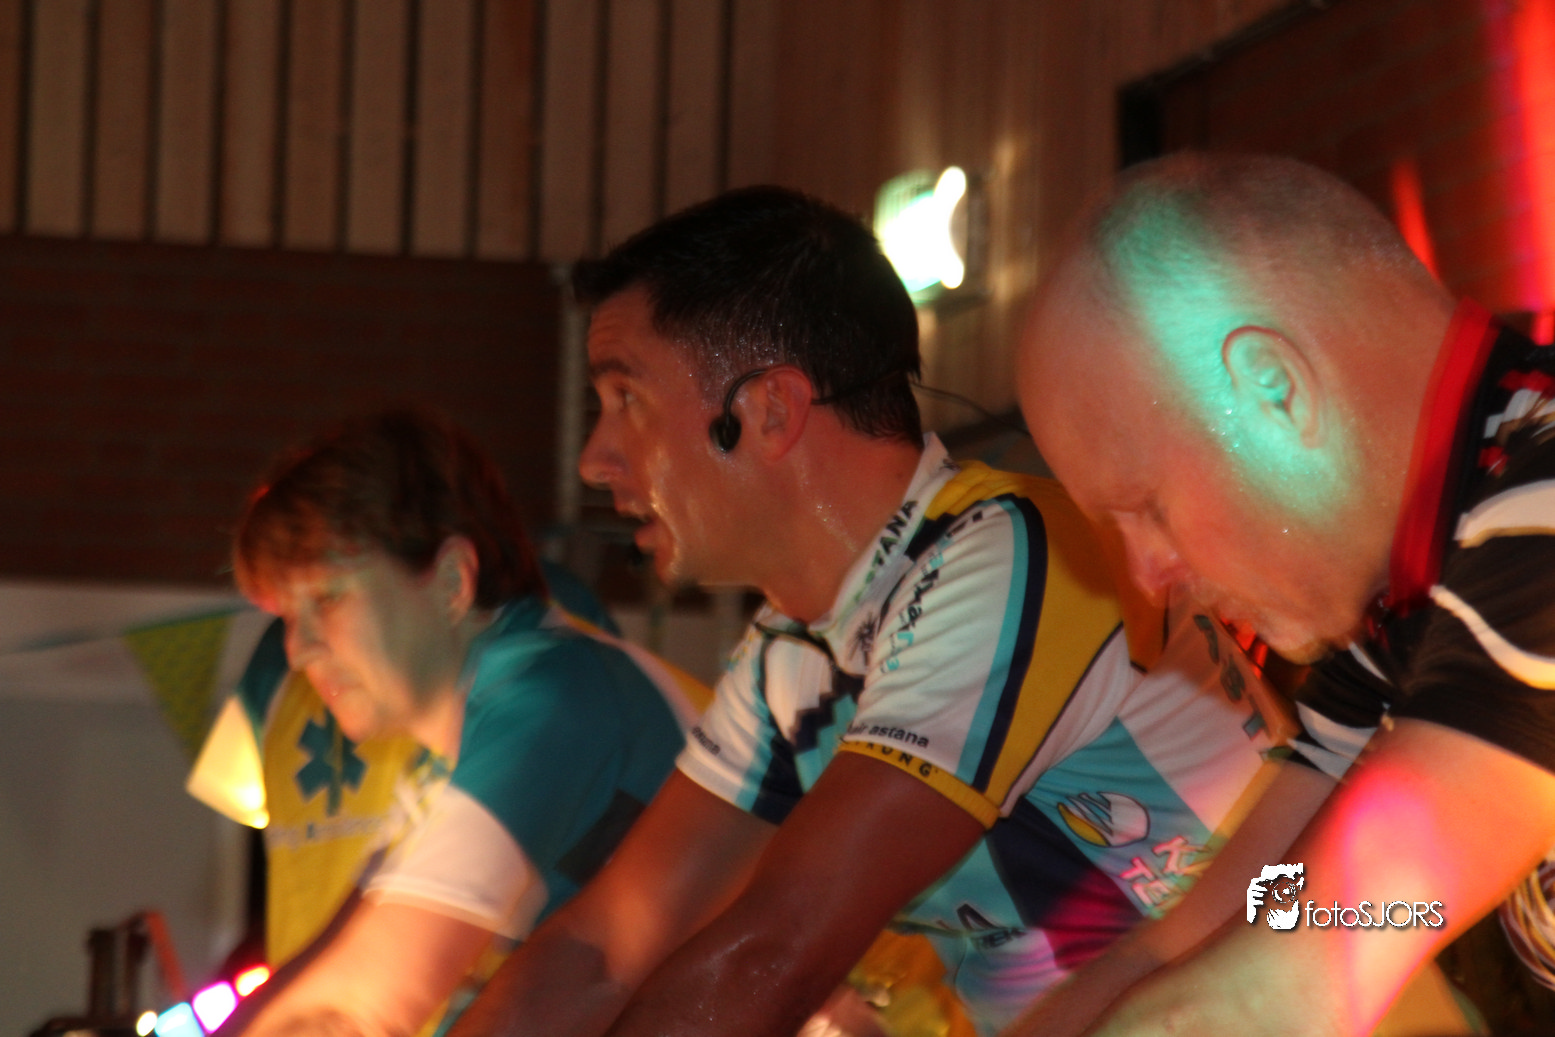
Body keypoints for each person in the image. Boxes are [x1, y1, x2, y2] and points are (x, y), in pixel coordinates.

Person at [447, 186, 1289, 1037]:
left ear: (767, 411)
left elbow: (773, 949)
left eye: (626, 400)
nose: (594, 459)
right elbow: (601, 949)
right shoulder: (791, 648)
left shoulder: (1007, 552)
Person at [1015, 150, 1555, 1036]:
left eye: (1147, 508)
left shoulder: (1540, 519)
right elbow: (1218, 930)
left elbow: (1276, 991)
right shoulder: (1397, 618)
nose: (1148, 574)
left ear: (1273, 388)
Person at [211, 408, 704, 1037]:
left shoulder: (551, 695)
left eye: (327, 597)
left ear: (451, 580)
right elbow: (326, 969)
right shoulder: (447, 755)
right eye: (286, 615)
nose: (298, 649)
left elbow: (367, 1004)